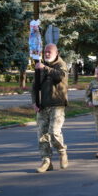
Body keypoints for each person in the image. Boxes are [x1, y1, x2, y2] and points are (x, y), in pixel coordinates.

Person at [31, 43, 69, 173]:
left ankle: (62, 151)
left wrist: (45, 68)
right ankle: (46, 161)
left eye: (49, 51)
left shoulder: (61, 64)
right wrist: (34, 102)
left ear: (56, 52)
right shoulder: (40, 66)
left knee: (54, 132)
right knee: (42, 135)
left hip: (57, 105)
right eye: (45, 51)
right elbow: (34, 86)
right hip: (43, 106)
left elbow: (59, 77)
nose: (46, 53)